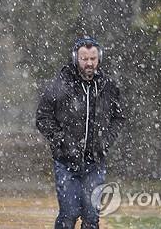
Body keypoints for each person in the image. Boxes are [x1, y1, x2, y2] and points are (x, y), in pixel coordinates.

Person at [36, 37, 125, 229]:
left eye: (93, 58)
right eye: (85, 59)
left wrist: (106, 141)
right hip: (66, 162)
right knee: (69, 214)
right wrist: (61, 140)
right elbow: (43, 118)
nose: (89, 63)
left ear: (99, 58)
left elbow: (119, 118)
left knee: (91, 217)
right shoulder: (60, 85)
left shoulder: (108, 86)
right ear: (76, 58)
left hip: (95, 162)